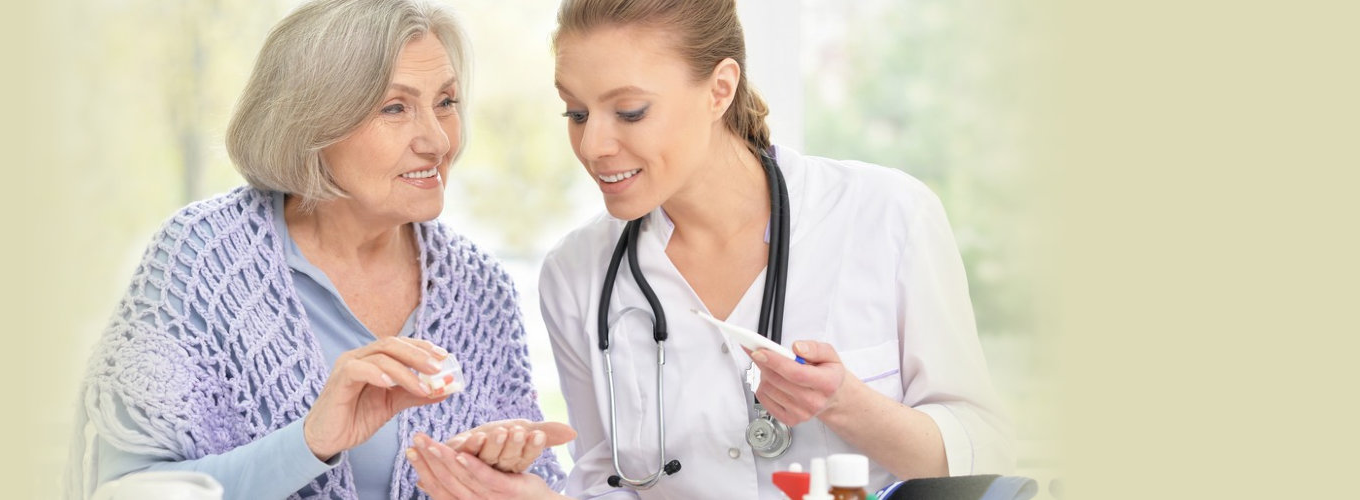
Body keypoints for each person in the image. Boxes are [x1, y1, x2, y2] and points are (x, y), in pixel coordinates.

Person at [407, 0, 1013, 498]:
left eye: (630, 111)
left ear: (720, 88)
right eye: (576, 112)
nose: (593, 146)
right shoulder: (576, 274)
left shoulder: (888, 216)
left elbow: (977, 451)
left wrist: (845, 404)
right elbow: (607, 483)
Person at [64, 1, 570, 498]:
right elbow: (128, 489)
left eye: (446, 102)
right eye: (395, 108)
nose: (438, 140)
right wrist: (310, 441)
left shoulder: (482, 290)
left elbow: (542, 484)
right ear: (312, 125)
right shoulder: (200, 262)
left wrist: (500, 479)